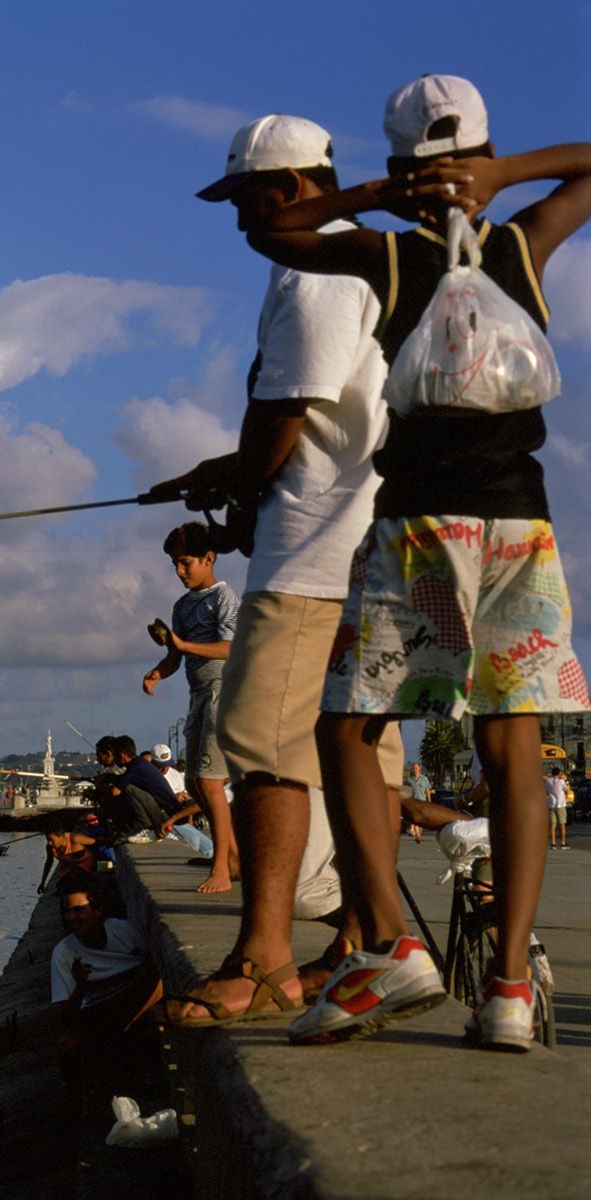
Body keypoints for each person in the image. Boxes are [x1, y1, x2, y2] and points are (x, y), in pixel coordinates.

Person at [245, 75, 591, 1049]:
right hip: (520, 529)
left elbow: (276, 233)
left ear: (396, 162)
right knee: (509, 748)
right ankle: (509, 989)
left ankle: (393, 949)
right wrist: (499, 177)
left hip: (417, 530)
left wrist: (371, 197)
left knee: (347, 728)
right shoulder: (520, 246)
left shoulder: (389, 257)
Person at [151, 115, 403, 1026]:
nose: (238, 222)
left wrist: (243, 487)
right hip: (372, 553)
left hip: (313, 557)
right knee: (359, 754)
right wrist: (223, 473)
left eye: (248, 199)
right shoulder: (374, 261)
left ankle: (261, 960)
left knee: (259, 745)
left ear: (292, 188)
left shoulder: (312, 271)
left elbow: (287, 407)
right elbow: (318, 420)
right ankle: (354, 945)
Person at [144, 523, 240, 892]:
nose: (180, 571)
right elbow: (174, 655)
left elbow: (229, 648)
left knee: (210, 782)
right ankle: (231, 859)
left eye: (185, 562)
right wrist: (157, 672)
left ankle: (221, 869)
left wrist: (183, 647)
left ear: (208, 559)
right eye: (174, 564)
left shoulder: (223, 598)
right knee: (198, 784)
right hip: (197, 693)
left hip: (222, 689)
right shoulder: (182, 606)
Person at [46, 872, 163, 1129]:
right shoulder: (64, 953)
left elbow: (157, 970)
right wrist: (80, 986)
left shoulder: (127, 932)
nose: (72, 918)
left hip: (137, 1002)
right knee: (67, 1049)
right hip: (98, 1010)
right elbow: (64, 1016)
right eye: (68, 912)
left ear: (98, 911)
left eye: (79, 911)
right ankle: (77, 1106)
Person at [546, 768, 569, 850]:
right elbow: (566, 790)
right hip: (560, 805)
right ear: (559, 774)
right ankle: (563, 843)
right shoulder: (561, 782)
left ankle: (553, 843)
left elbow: (547, 791)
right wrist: (564, 780)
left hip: (551, 805)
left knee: (552, 825)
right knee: (562, 825)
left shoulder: (548, 781)